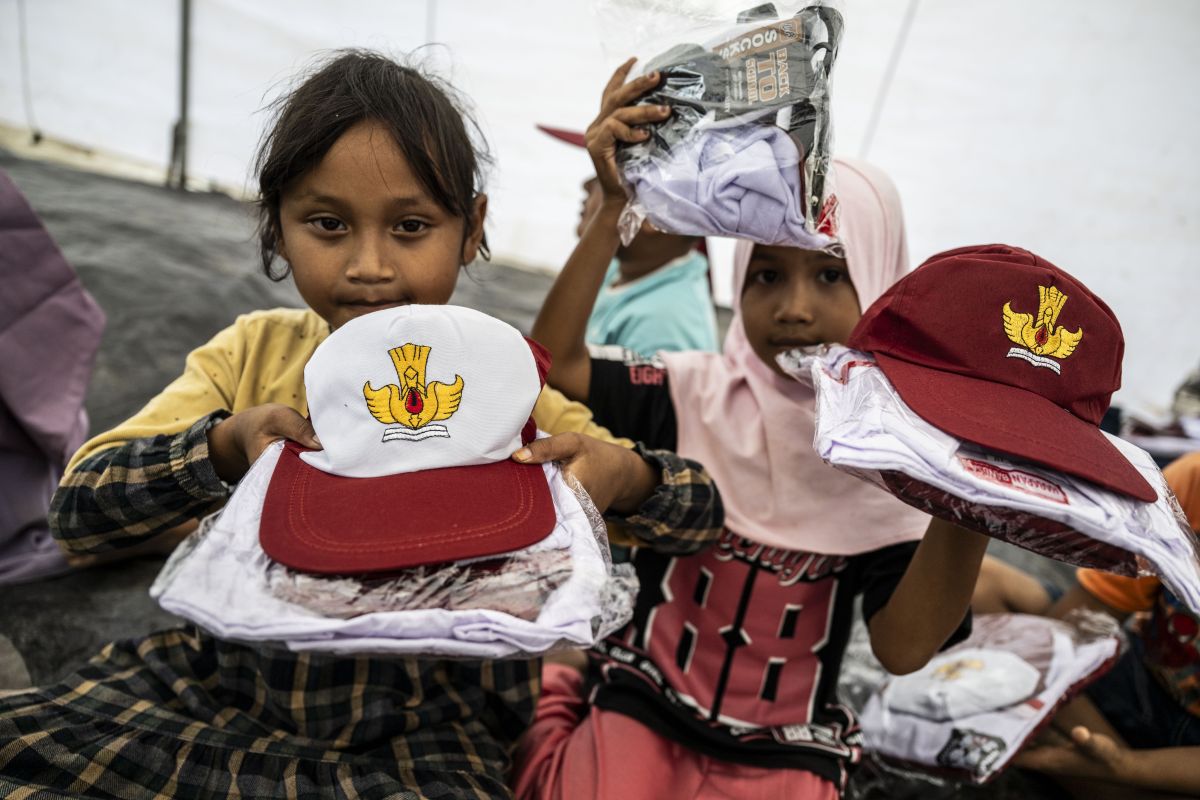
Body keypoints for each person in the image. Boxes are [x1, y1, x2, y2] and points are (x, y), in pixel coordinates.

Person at [0, 51, 723, 799]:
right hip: (213, 700)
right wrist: (220, 448)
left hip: (421, 742)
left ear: (471, 227)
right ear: (275, 226)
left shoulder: (509, 383)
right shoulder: (253, 355)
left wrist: (626, 477)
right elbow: (77, 512)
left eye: (411, 225)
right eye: (327, 224)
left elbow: (697, 515)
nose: (369, 264)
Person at [514, 60, 986, 799]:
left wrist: (972, 497)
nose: (794, 308)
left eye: (831, 274)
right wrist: (615, 204)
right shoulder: (690, 390)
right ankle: (562, 694)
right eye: (765, 275)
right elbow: (557, 363)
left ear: (884, 279)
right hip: (647, 704)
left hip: (785, 751)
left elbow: (900, 649)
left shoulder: (898, 461)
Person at [1009, 450, 1200, 798]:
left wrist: (1123, 767)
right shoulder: (1195, 480)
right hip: (1142, 681)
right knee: (989, 592)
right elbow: (1073, 624)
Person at [537, 125, 719, 357]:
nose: (586, 184)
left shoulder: (662, 327)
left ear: (653, 217)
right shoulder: (621, 267)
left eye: (605, 178)